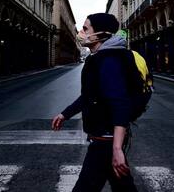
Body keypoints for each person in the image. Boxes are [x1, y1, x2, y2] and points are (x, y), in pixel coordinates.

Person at [52, 13, 138, 192]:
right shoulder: (99, 58)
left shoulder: (109, 61)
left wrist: (116, 148)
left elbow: (120, 103)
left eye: (85, 29)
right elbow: (90, 96)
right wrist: (65, 114)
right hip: (103, 140)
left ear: (99, 34)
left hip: (105, 142)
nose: (81, 33)